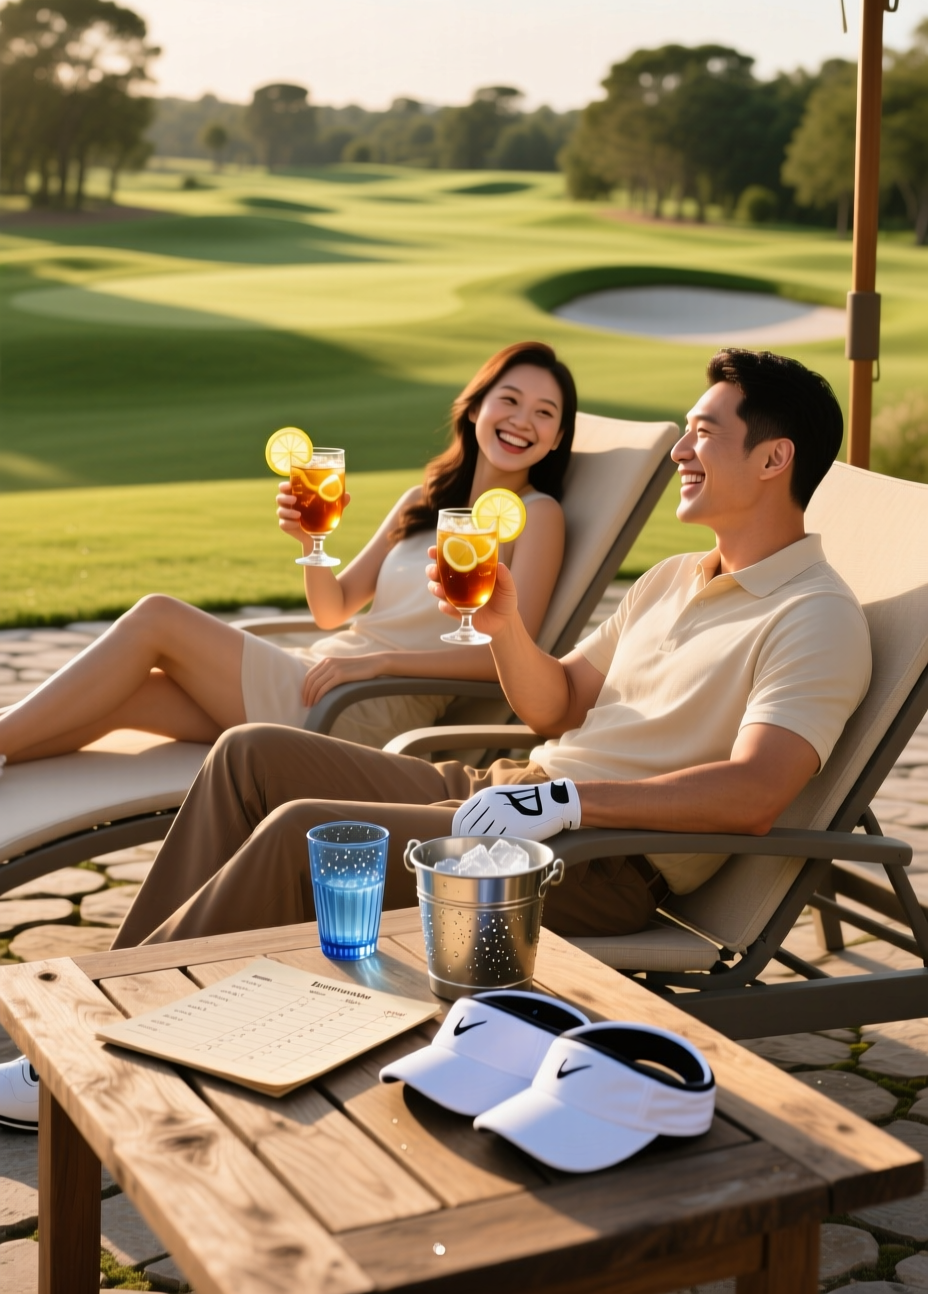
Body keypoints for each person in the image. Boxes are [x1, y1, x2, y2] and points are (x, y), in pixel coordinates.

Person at [0, 348, 874, 1130]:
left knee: (308, 835)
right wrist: (504, 628)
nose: (681, 449)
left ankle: (87, 1056)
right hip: (511, 796)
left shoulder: (815, 616)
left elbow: (756, 793)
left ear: (773, 459)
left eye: (703, 433)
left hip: (597, 860)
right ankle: (118, 994)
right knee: (248, 754)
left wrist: (567, 802)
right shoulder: (675, 578)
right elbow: (559, 702)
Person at [0, 342, 576, 766]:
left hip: (366, 709)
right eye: (510, 400)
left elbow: (505, 658)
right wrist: (311, 544)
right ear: (475, 409)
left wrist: (378, 663)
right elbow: (333, 609)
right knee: (131, 698)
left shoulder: (539, 515)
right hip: (321, 675)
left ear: (555, 439)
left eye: (544, 413)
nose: (522, 421)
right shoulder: (422, 501)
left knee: (157, 616)